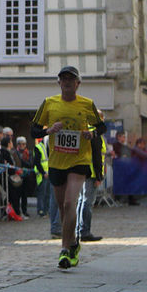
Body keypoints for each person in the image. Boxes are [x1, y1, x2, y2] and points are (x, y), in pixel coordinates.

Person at [31, 66, 106, 268]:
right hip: (56, 162)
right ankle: (73, 243)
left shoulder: (87, 104)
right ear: (59, 83)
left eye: (71, 79)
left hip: (79, 160)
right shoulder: (49, 103)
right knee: (64, 208)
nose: (67, 82)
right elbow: (34, 130)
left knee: (68, 203)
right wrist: (48, 130)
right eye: (63, 79)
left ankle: (64, 250)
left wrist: (92, 133)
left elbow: (102, 127)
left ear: (78, 83)